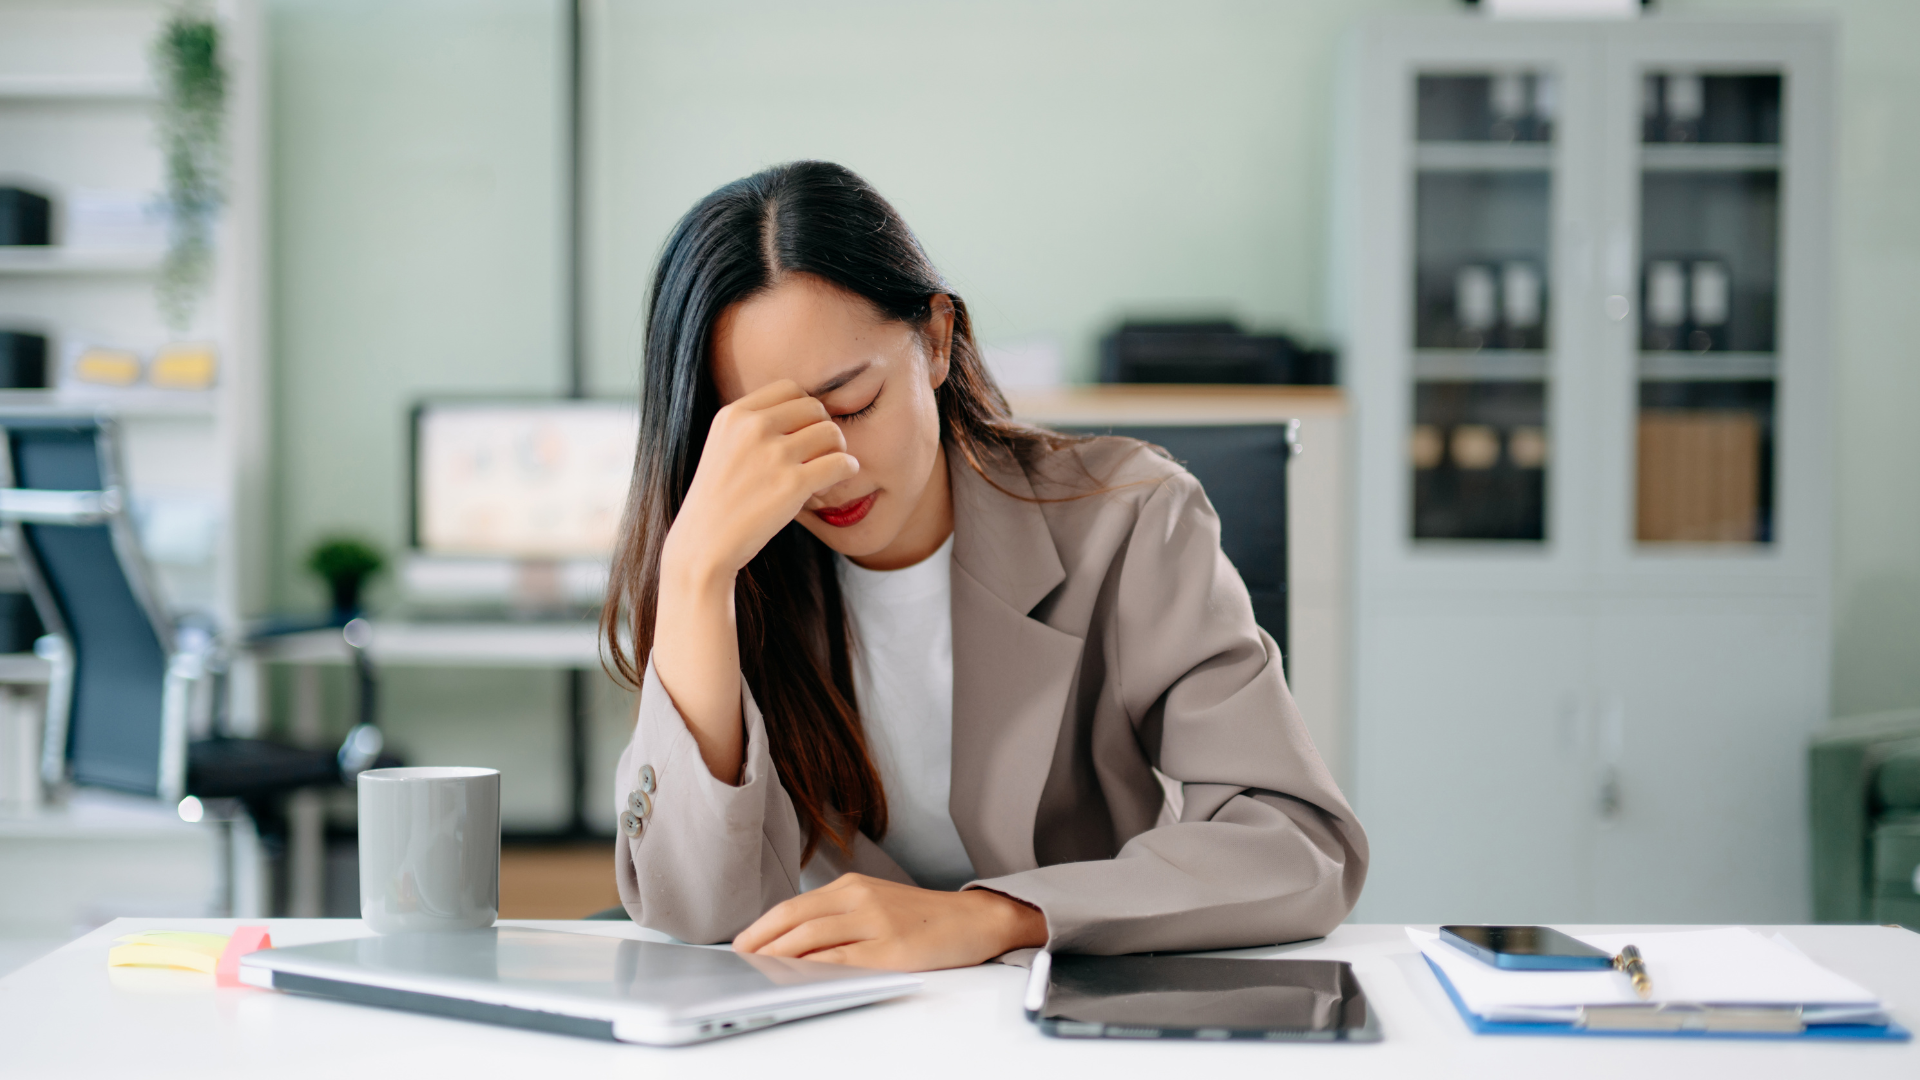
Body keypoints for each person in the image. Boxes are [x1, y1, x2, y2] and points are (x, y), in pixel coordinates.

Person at [604, 161, 1366, 973]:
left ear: (935, 340)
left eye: (853, 405)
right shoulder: (735, 574)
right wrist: (692, 575)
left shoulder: (1132, 518)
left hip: (1061, 1008)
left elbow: (1299, 847)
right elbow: (694, 914)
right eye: (771, 439)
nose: (832, 470)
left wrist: (999, 919)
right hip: (823, 1019)